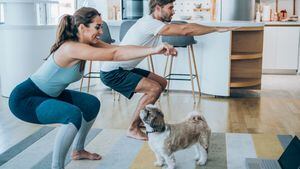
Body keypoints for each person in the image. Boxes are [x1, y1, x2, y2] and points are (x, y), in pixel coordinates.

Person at [8, 7, 177, 169]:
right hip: (26, 99)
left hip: (51, 94)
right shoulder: (71, 47)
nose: (101, 31)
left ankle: (78, 150)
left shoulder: (87, 43)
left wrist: (154, 49)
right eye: (97, 27)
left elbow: (118, 48)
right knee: (72, 114)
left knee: (91, 103)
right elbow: (114, 55)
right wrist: (154, 50)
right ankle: (56, 166)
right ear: (82, 27)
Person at [100, 0, 236, 141]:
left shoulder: (153, 23)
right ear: (158, 8)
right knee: (154, 89)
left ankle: (141, 121)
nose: (173, 11)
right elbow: (185, 30)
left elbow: (143, 45)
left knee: (161, 83)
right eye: (170, 7)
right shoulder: (149, 23)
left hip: (124, 68)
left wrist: (163, 49)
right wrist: (216, 28)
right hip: (113, 72)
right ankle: (132, 128)